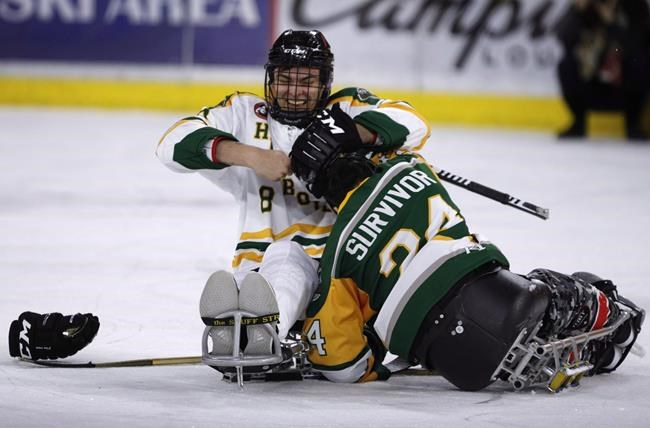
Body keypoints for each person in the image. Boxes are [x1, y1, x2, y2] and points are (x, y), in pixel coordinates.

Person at [288, 114, 645, 391]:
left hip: (457, 362)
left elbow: (340, 362)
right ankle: (607, 312)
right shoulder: (411, 167)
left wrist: (378, 362)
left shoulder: (338, 257)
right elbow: (404, 127)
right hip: (500, 292)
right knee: (546, 287)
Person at [156, 30, 431, 359]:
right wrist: (249, 155)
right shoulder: (244, 114)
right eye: (285, 79)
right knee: (273, 264)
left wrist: (348, 134)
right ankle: (251, 328)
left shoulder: (344, 109)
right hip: (258, 269)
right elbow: (170, 145)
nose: (295, 91)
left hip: (336, 276)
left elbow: (414, 123)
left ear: (325, 83)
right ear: (270, 79)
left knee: (289, 256)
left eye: (307, 81)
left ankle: (261, 331)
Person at [555, 0, 650, 140]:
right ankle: (579, 122)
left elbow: (637, 44)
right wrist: (576, 13)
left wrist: (611, 24)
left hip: (622, 86)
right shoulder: (585, 8)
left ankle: (633, 123)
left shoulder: (634, 5)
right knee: (566, 64)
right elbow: (564, 38)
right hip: (592, 83)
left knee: (641, 62)